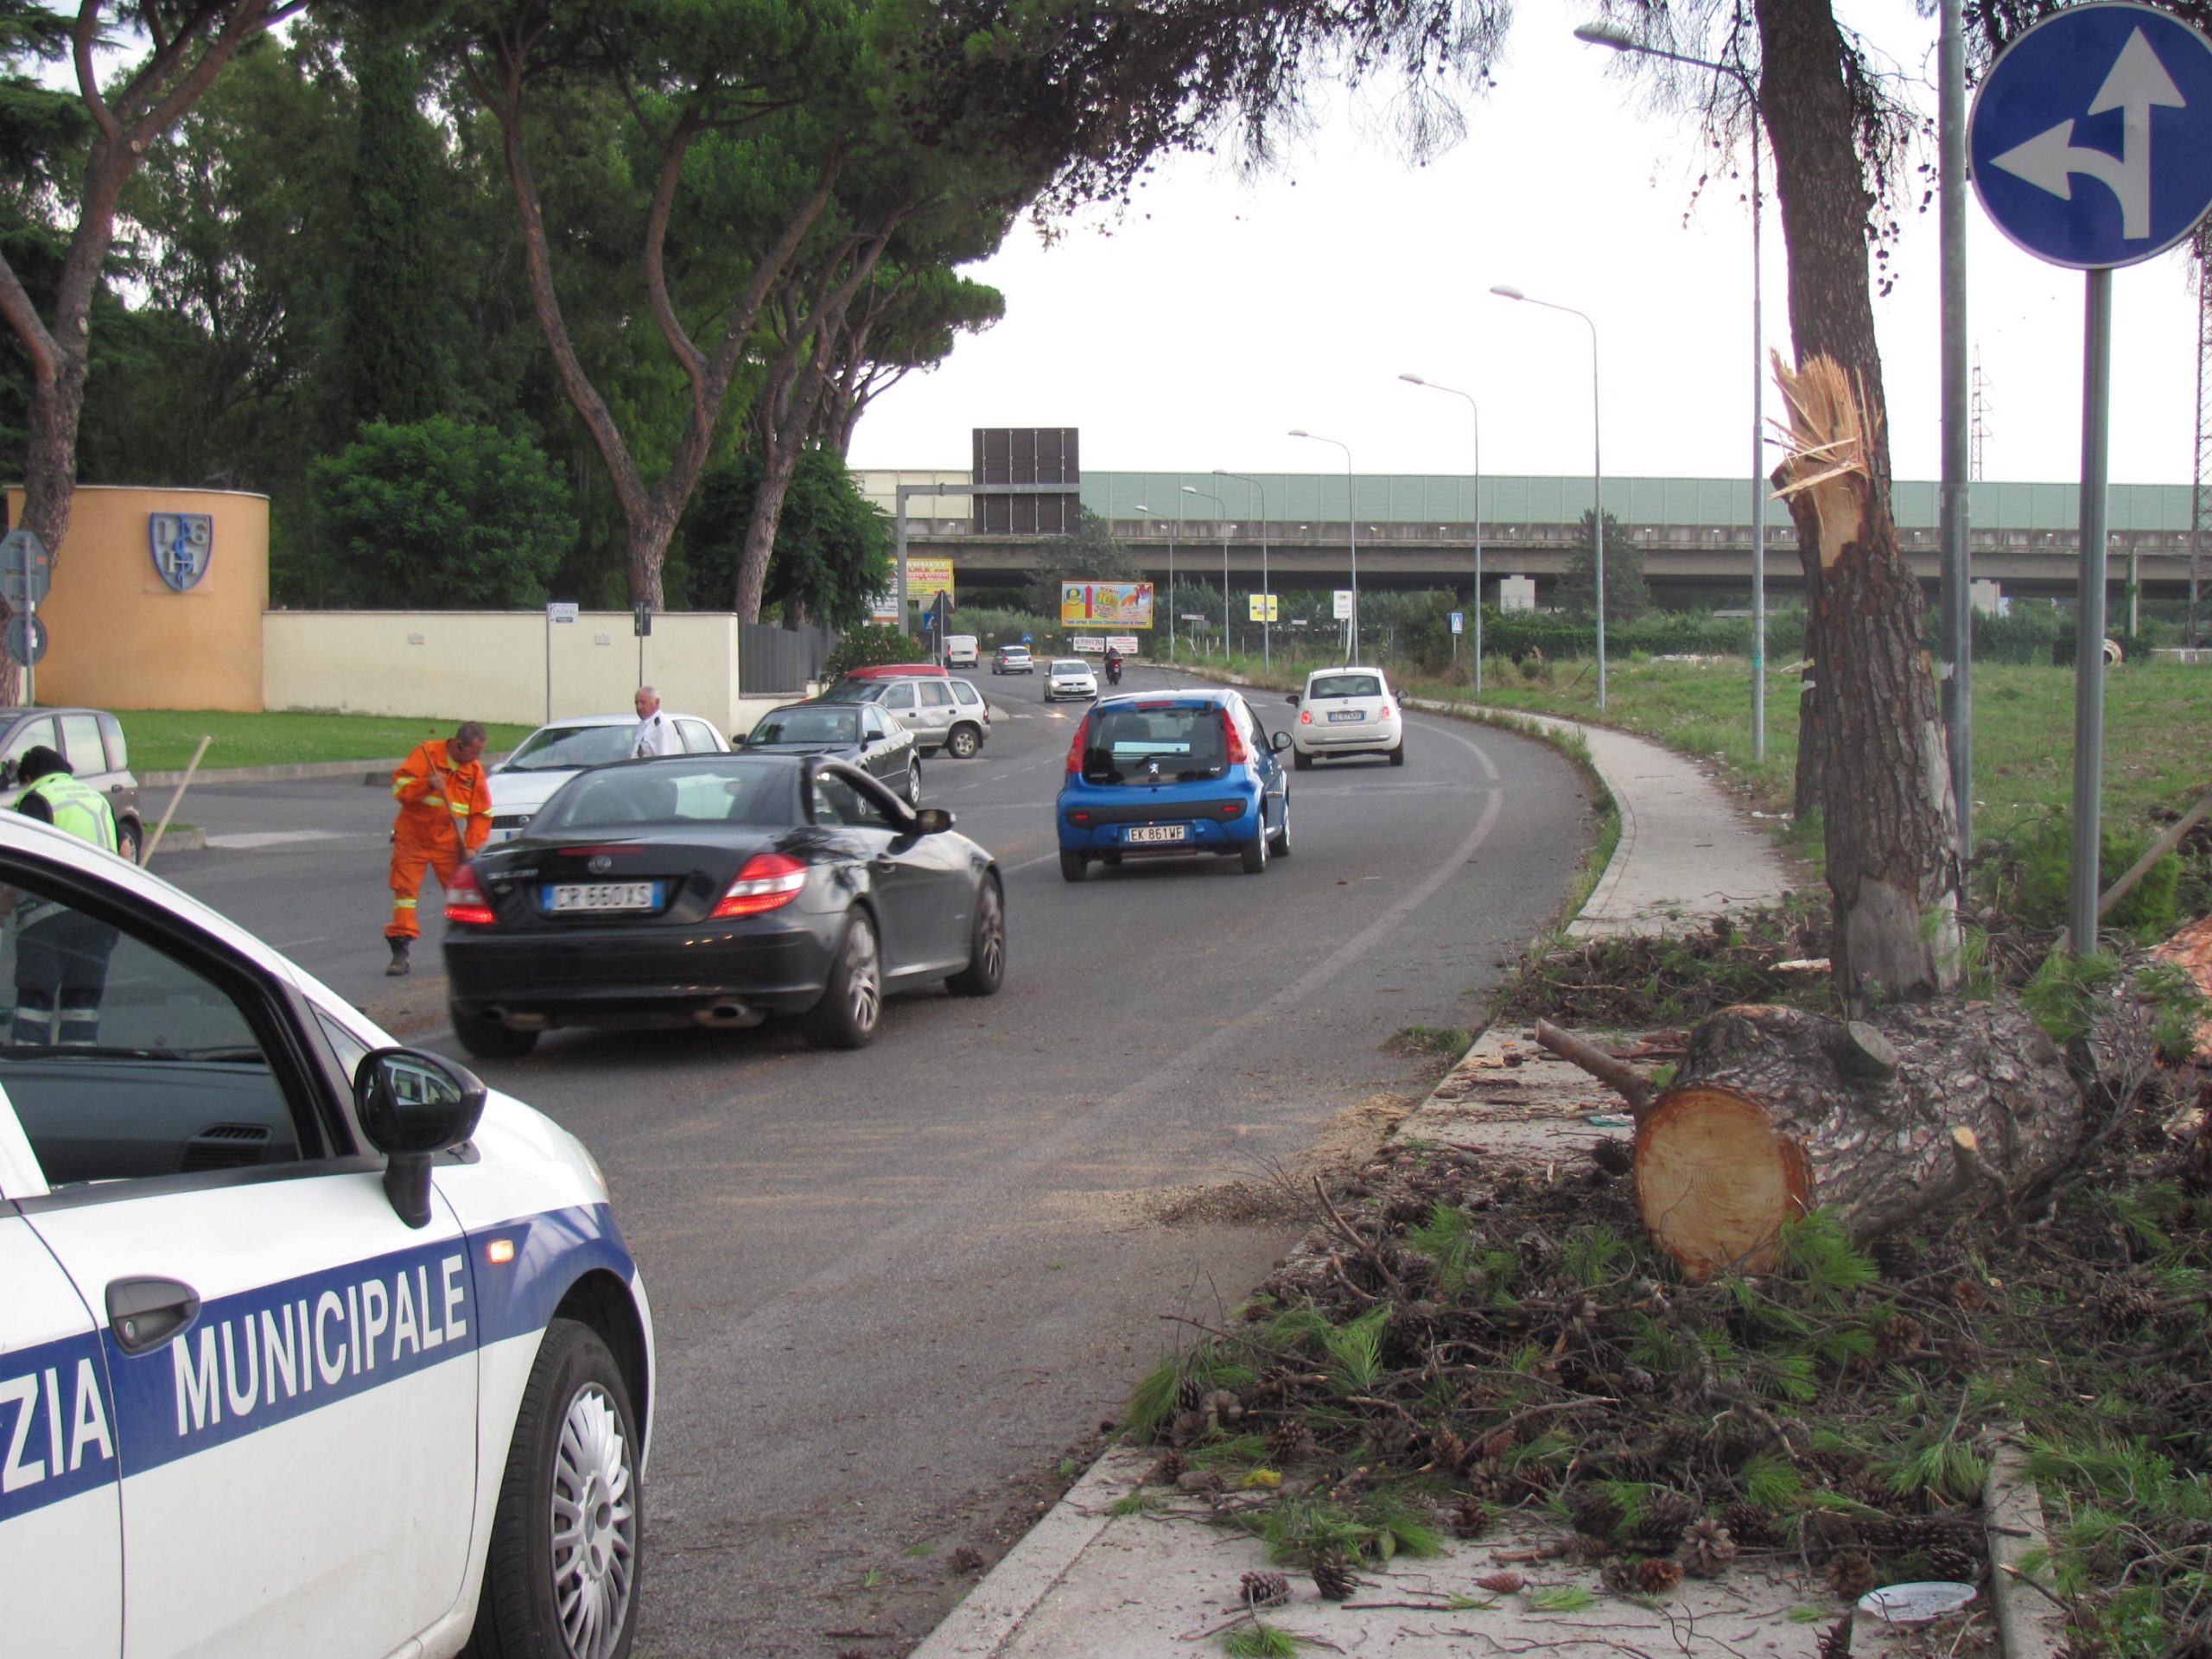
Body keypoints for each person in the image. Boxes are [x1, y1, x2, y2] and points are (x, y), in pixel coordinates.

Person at [7, 745, 120, 1045]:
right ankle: (79, 1057)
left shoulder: (39, 798)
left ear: (30, 776)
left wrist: (4, 903)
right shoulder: (97, 800)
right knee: (82, 996)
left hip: (49, 915)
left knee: (37, 991)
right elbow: (123, 851)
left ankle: (30, 1059)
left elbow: (24, 860)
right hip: (103, 913)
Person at [385, 721, 492, 976]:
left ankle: (472, 949)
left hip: (447, 843)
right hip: (412, 839)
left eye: (480, 754)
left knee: (462, 895)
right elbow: (400, 790)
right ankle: (400, 952)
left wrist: (472, 846)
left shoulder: (474, 771)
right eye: (473, 753)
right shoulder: (426, 755)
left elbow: (482, 814)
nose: (477, 759)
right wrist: (427, 785)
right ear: (459, 745)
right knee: (405, 895)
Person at [632, 686, 680, 757]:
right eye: (636, 703)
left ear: (657, 702)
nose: (639, 707)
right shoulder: (644, 724)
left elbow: (664, 760)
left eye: (643, 703)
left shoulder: (662, 726)